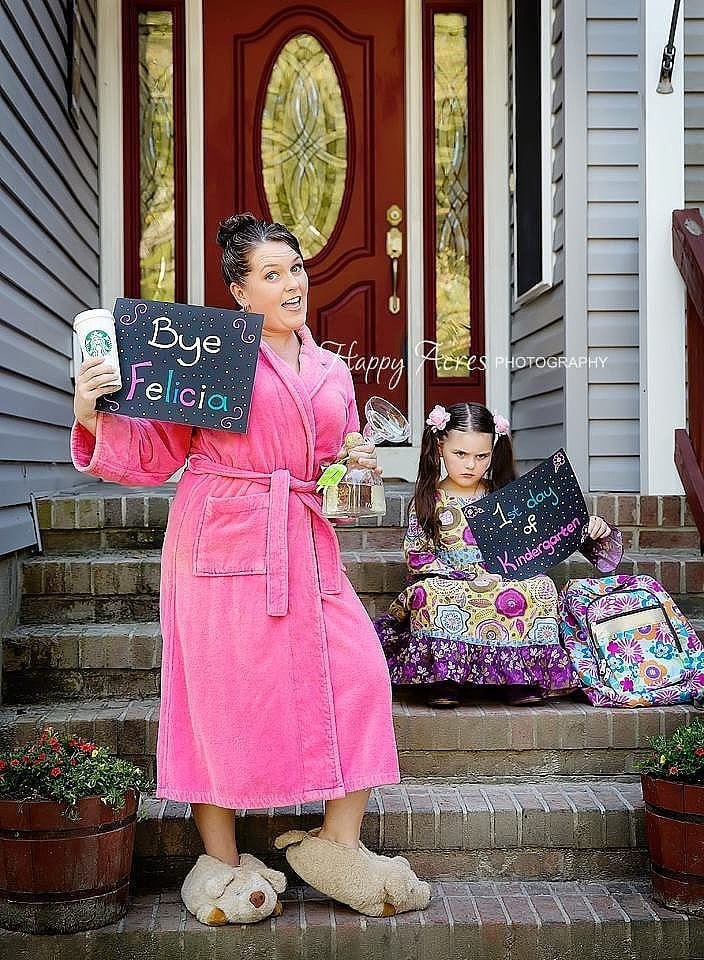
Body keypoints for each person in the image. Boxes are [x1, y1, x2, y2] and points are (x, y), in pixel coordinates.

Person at [71, 213, 429, 920]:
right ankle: (222, 860)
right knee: (218, 693)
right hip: (223, 538)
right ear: (238, 290)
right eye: (271, 274)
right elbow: (154, 451)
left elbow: (334, 469)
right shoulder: (213, 354)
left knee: (360, 671)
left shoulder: (330, 368)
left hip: (303, 535)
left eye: (295, 268)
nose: (291, 284)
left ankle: (337, 842)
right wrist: (92, 412)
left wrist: (352, 469)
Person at [374, 402, 623, 707]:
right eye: (460, 454)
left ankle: (519, 676)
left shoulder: (506, 496)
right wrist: (460, 574)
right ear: (440, 447)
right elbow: (417, 556)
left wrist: (590, 528)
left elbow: (548, 533)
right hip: (451, 580)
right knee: (432, 594)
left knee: (541, 588)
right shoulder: (429, 500)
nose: (471, 465)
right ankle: (445, 678)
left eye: (482, 456)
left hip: (505, 576)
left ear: (493, 451)